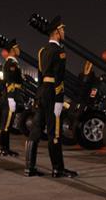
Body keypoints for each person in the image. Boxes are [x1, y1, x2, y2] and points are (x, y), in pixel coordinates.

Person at [24, 16, 78, 178]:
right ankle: (57, 168)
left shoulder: (42, 51)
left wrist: (39, 94)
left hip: (42, 93)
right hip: (53, 94)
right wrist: (59, 99)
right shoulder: (59, 52)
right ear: (56, 32)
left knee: (35, 129)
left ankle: (29, 167)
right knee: (54, 133)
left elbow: (41, 76)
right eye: (62, 30)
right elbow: (59, 77)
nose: (64, 32)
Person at [0, 39, 23, 156]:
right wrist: (11, 98)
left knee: (6, 124)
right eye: (17, 47)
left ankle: (5, 148)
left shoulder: (12, 63)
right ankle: (4, 148)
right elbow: (11, 81)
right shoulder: (11, 64)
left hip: (10, 96)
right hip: (10, 96)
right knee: (6, 124)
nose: (19, 49)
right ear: (12, 50)